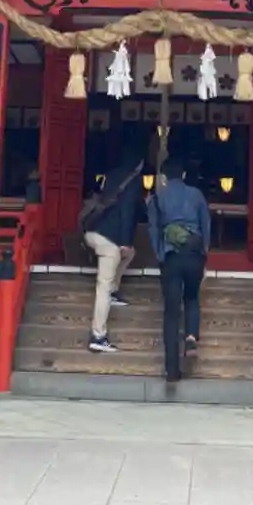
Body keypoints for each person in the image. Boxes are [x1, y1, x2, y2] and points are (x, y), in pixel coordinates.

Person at [146, 156, 210, 383]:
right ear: (183, 174)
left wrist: (160, 254)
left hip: (171, 256)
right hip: (194, 254)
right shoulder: (197, 195)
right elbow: (206, 225)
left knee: (171, 313)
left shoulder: (157, 198)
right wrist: (204, 252)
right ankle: (191, 337)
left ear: (164, 177)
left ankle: (172, 371)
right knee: (192, 297)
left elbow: (153, 230)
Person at [85, 145, 144, 353]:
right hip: (108, 240)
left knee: (129, 254)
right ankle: (98, 336)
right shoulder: (133, 180)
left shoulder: (112, 175)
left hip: (92, 231)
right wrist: (124, 241)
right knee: (103, 286)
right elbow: (127, 211)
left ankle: (114, 290)